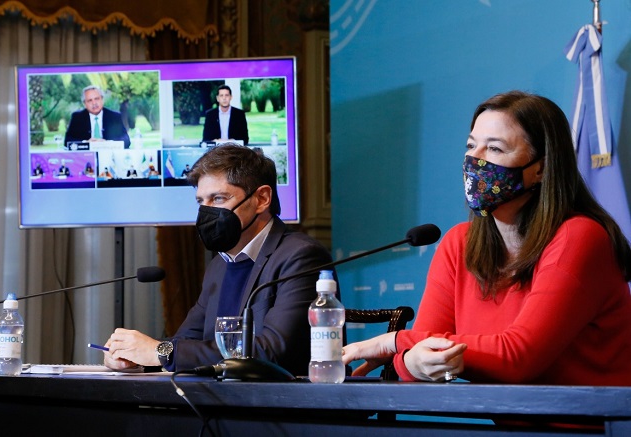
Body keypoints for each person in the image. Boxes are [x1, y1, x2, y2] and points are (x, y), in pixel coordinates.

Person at [342, 91, 631, 386]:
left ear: (541, 169)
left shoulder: (581, 236)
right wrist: (411, 362)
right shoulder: (460, 243)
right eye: (471, 145)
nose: (473, 159)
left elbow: (519, 358)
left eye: (494, 149)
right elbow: (427, 350)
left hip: (597, 428)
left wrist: (396, 342)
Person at [103, 143, 333, 374]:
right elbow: (186, 341)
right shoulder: (220, 265)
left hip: (281, 405)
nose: (206, 212)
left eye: (219, 198)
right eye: (201, 201)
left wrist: (161, 352)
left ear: (262, 198)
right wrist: (135, 357)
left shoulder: (301, 257)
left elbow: (272, 350)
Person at [64, 85, 131, 149]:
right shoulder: (77, 117)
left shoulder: (114, 116)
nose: (94, 103)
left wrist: (107, 143)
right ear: (84, 104)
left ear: (102, 100)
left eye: (97, 99)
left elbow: (126, 140)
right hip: (86, 156)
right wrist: (86, 143)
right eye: (90, 100)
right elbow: (67, 141)